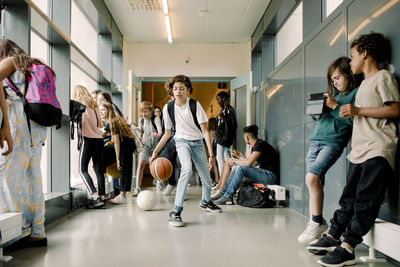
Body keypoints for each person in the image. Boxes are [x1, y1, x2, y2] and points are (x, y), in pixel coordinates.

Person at [307, 32, 400, 267]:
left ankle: (348, 247)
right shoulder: (364, 84)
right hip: (359, 150)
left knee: (366, 201)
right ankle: (333, 236)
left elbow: (395, 109)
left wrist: (357, 111)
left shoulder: (383, 77)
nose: (350, 62)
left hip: (378, 148)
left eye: (352, 56)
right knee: (348, 199)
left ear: (365, 53)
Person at [297, 57, 361, 244]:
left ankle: (317, 222)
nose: (335, 82)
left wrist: (334, 106)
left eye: (338, 78)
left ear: (348, 74)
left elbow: (354, 122)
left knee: (312, 178)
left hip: (332, 142)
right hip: (316, 140)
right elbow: (328, 118)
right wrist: (318, 107)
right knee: (314, 183)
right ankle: (315, 223)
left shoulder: (356, 94)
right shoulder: (336, 96)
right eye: (332, 80)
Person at [151, 74, 222, 227]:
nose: (178, 91)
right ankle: (176, 211)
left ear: (188, 90)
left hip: (197, 142)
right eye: (175, 88)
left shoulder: (195, 106)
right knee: (187, 169)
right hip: (181, 141)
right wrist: (156, 151)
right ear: (171, 91)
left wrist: (211, 155)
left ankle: (206, 201)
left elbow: (205, 131)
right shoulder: (168, 108)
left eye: (181, 88)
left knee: (207, 178)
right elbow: (167, 133)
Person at [0, 39, 47, 247]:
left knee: (9, 178)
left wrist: (5, 127)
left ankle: (17, 232)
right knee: (34, 178)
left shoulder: (11, 61)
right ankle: (38, 231)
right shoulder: (32, 63)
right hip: (37, 126)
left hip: (19, 123)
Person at [213, 125, 278, 205]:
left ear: (246, 137)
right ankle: (223, 193)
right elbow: (252, 163)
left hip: (270, 177)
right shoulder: (257, 145)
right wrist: (239, 157)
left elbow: (249, 163)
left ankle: (228, 196)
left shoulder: (259, 145)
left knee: (240, 168)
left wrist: (234, 162)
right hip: (265, 175)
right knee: (236, 168)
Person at [72, 85, 105, 209]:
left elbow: (76, 120)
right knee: (98, 170)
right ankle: (102, 197)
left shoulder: (78, 103)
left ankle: (95, 196)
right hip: (99, 139)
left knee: (82, 169)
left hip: (88, 139)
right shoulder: (94, 105)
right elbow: (100, 124)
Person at [100, 103, 136, 203]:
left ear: (109, 110)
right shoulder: (111, 122)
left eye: (103, 110)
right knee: (102, 152)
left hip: (126, 145)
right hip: (124, 143)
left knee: (124, 167)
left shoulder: (113, 122)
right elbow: (101, 135)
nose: (101, 112)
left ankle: (123, 195)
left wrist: (118, 159)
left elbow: (116, 142)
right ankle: (103, 178)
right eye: (100, 110)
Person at [132, 101, 163, 196]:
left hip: (155, 147)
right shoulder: (141, 119)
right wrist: (135, 129)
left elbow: (161, 132)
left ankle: (159, 181)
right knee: (141, 164)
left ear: (151, 111)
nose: (143, 114)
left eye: (145, 111)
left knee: (154, 165)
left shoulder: (156, 119)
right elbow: (140, 130)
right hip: (145, 145)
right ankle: (137, 187)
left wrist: (157, 134)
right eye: (142, 112)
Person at [215, 91, 237, 176]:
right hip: (222, 137)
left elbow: (233, 125)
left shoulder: (229, 110)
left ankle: (222, 178)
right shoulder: (223, 109)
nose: (218, 102)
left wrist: (222, 117)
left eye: (219, 99)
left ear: (224, 99)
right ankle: (230, 177)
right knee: (227, 158)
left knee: (219, 157)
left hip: (224, 138)